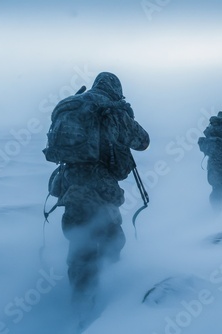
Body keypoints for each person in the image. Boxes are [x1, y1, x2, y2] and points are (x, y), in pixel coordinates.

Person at [51, 72, 149, 327]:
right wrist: (126, 117)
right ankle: (112, 303)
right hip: (101, 188)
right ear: (115, 89)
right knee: (111, 239)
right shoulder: (112, 108)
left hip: (70, 185)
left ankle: (80, 307)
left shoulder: (74, 105)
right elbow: (143, 142)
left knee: (79, 245)